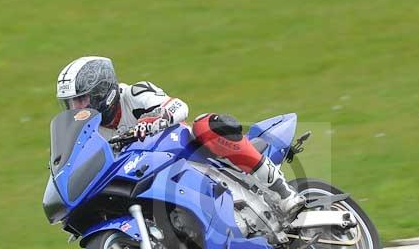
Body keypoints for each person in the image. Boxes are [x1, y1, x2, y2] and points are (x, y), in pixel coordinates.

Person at [55, 56, 305, 217]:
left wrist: (155, 119)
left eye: (82, 99)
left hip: (184, 153)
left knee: (205, 125)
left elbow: (178, 107)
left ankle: (284, 193)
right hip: (149, 175)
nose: (77, 108)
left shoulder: (133, 94)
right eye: (71, 103)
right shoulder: (92, 130)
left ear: (102, 91)